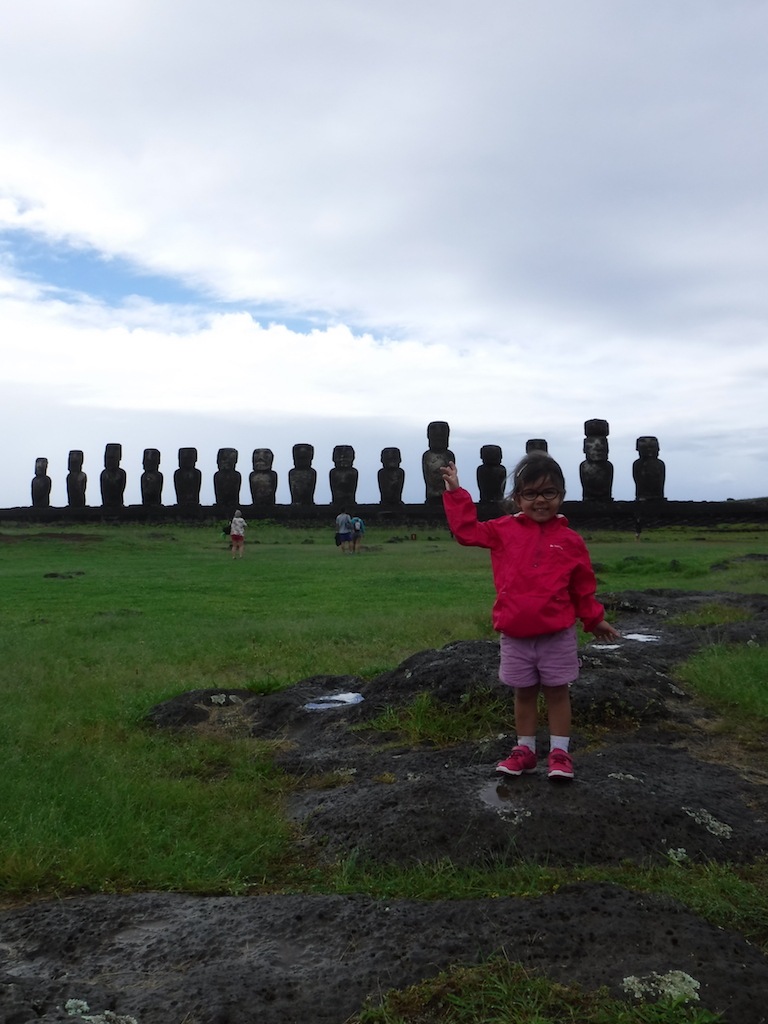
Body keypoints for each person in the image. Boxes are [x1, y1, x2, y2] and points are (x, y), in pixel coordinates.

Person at [441, 452, 620, 781]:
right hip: (515, 634)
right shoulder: (502, 531)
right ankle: (524, 750)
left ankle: (560, 753)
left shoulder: (571, 541)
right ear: (517, 497)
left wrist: (594, 620)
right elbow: (466, 532)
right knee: (523, 692)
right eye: (531, 493)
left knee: (556, 691)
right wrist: (455, 492)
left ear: (562, 496)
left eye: (548, 492)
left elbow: (582, 588)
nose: (540, 501)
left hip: (557, 634)